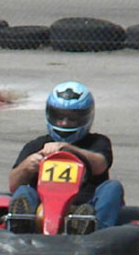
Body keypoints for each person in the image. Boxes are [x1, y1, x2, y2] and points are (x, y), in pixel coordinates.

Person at [7, 81, 123, 235]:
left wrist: (68, 149)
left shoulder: (97, 142)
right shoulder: (36, 145)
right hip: (43, 210)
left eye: (72, 118)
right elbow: (13, 185)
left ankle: (94, 232)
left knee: (113, 187)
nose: (64, 123)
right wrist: (28, 166)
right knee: (23, 191)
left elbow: (100, 165)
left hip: (86, 207)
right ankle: (21, 227)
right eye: (59, 117)